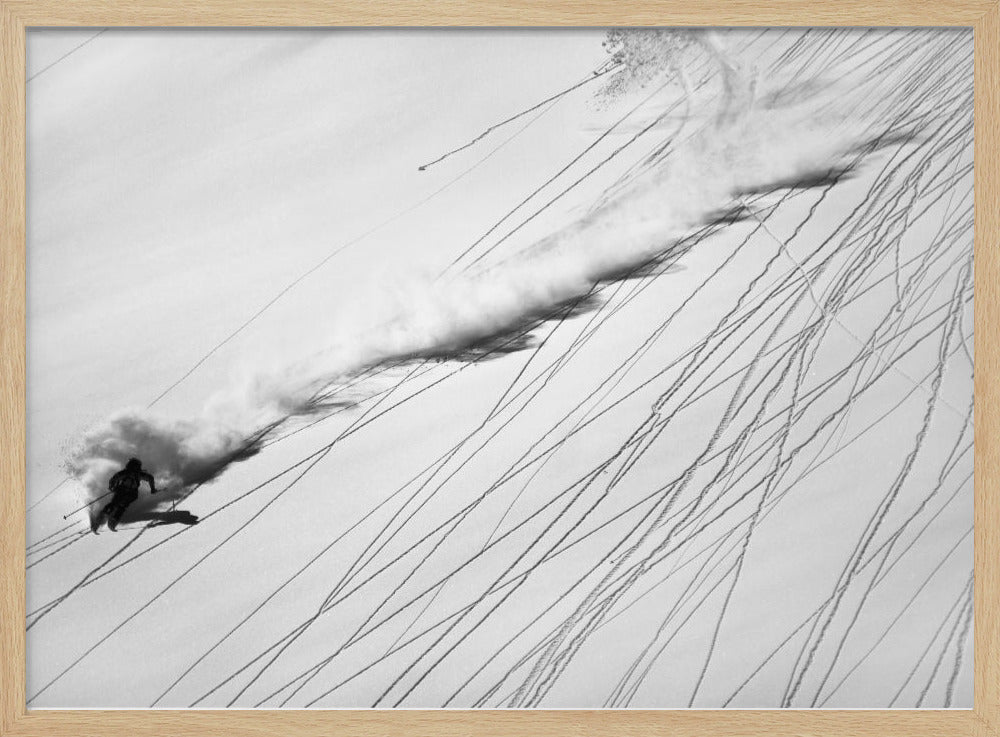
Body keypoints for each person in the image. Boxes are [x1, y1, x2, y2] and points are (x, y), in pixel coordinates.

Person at [100, 458, 157, 531]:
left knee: (114, 504)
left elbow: (114, 479)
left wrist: (112, 486)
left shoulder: (125, 472)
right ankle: (112, 521)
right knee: (121, 507)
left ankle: (104, 515)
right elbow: (150, 478)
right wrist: (152, 489)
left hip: (123, 491)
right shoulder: (139, 474)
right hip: (131, 494)